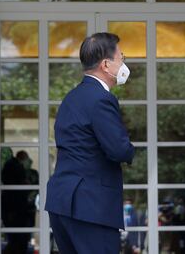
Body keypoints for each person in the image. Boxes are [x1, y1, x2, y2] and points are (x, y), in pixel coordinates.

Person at [45, 32, 135, 254]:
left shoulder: (71, 97)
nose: (123, 63)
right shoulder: (102, 98)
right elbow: (119, 149)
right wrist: (129, 148)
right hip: (91, 205)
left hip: (62, 200)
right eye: (121, 58)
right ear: (106, 64)